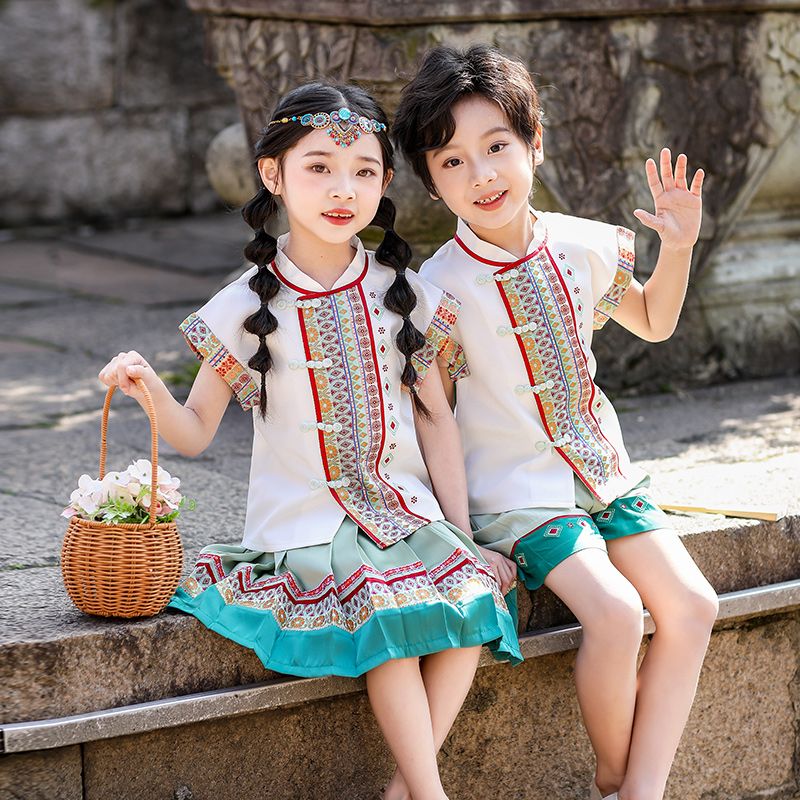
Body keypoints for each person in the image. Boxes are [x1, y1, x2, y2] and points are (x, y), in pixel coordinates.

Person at [98, 80, 521, 800]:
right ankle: (429, 792)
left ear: (385, 184)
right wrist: (147, 390)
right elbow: (196, 433)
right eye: (318, 166)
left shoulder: (405, 293)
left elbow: (435, 420)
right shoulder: (241, 306)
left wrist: (462, 533)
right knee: (388, 615)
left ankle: (405, 792)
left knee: (473, 602)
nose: (341, 189)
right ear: (274, 175)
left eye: (362, 171)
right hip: (309, 522)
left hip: (405, 512)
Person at [393, 45, 719, 800]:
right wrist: (461, 535)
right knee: (614, 612)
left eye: (498, 147)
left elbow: (653, 322)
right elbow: (432, 415)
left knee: (695, 605)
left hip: (601, 469)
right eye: (452, 161)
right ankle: (615, 780)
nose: (482, 175)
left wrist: (677, 247)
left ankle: (641, 791)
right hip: (516, 496)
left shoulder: (585, 245)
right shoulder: (436, 289)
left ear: (535, 143)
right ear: (433, 185)